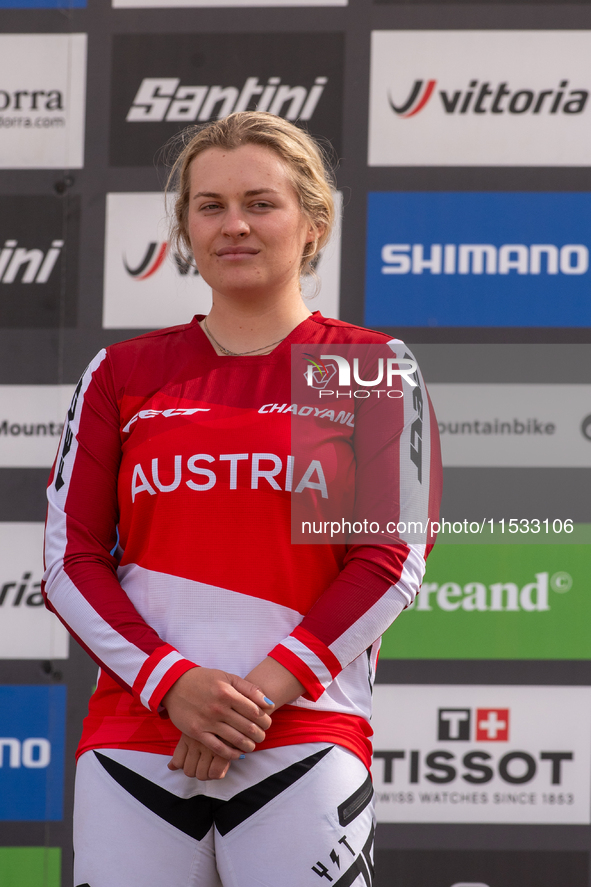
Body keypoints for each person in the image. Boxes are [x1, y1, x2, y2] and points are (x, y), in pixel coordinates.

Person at [43, 111, 442, 887]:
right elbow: (70, 560)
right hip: (136, 734)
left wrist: (244, 700)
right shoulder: (124, 372)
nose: (234, 225)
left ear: (312, 222)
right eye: (209, 206)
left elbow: (388, 561)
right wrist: (170, 683)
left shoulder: (362, 366)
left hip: (302, 733)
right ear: (185, 228)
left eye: (261, 203)